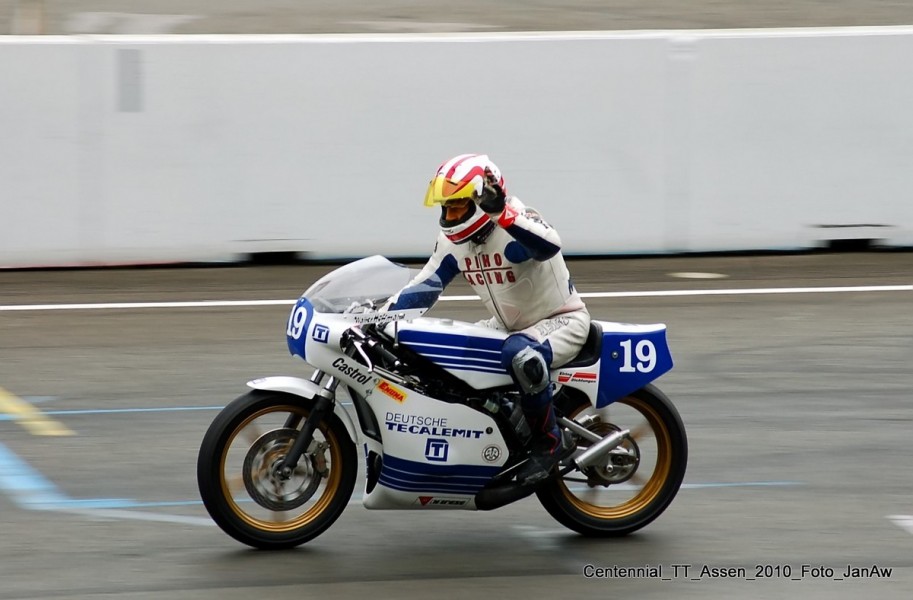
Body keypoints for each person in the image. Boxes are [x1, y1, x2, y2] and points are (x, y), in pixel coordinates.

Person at [388, 153, 590, 485]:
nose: (450, 216)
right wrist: (376, 317)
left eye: (458, 206)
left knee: (521, 355)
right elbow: (425, 287)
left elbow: (550, 245)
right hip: (509, 326)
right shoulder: (453, 242)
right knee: (442, 352)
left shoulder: (517, 220)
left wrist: (504, 214)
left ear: (482, 200)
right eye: (446, 208)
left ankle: (549, 444)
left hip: (562, 319)